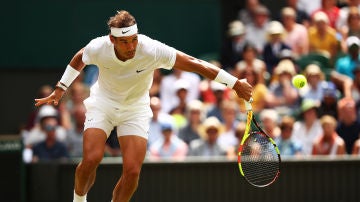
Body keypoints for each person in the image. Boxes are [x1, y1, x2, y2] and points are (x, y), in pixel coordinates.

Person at [34, 10, 253, 202]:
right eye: (124, 42)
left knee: (132, 171)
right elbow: (80, 57)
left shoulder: (151, 49)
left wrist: (234, 83)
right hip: (103, 104)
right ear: (112, 40)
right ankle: (79, 199)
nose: (131, 46)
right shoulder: (99, 47)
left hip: (135, 109)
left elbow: (195, 63)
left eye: (134, 40)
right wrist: (61, 87)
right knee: (92, 158)